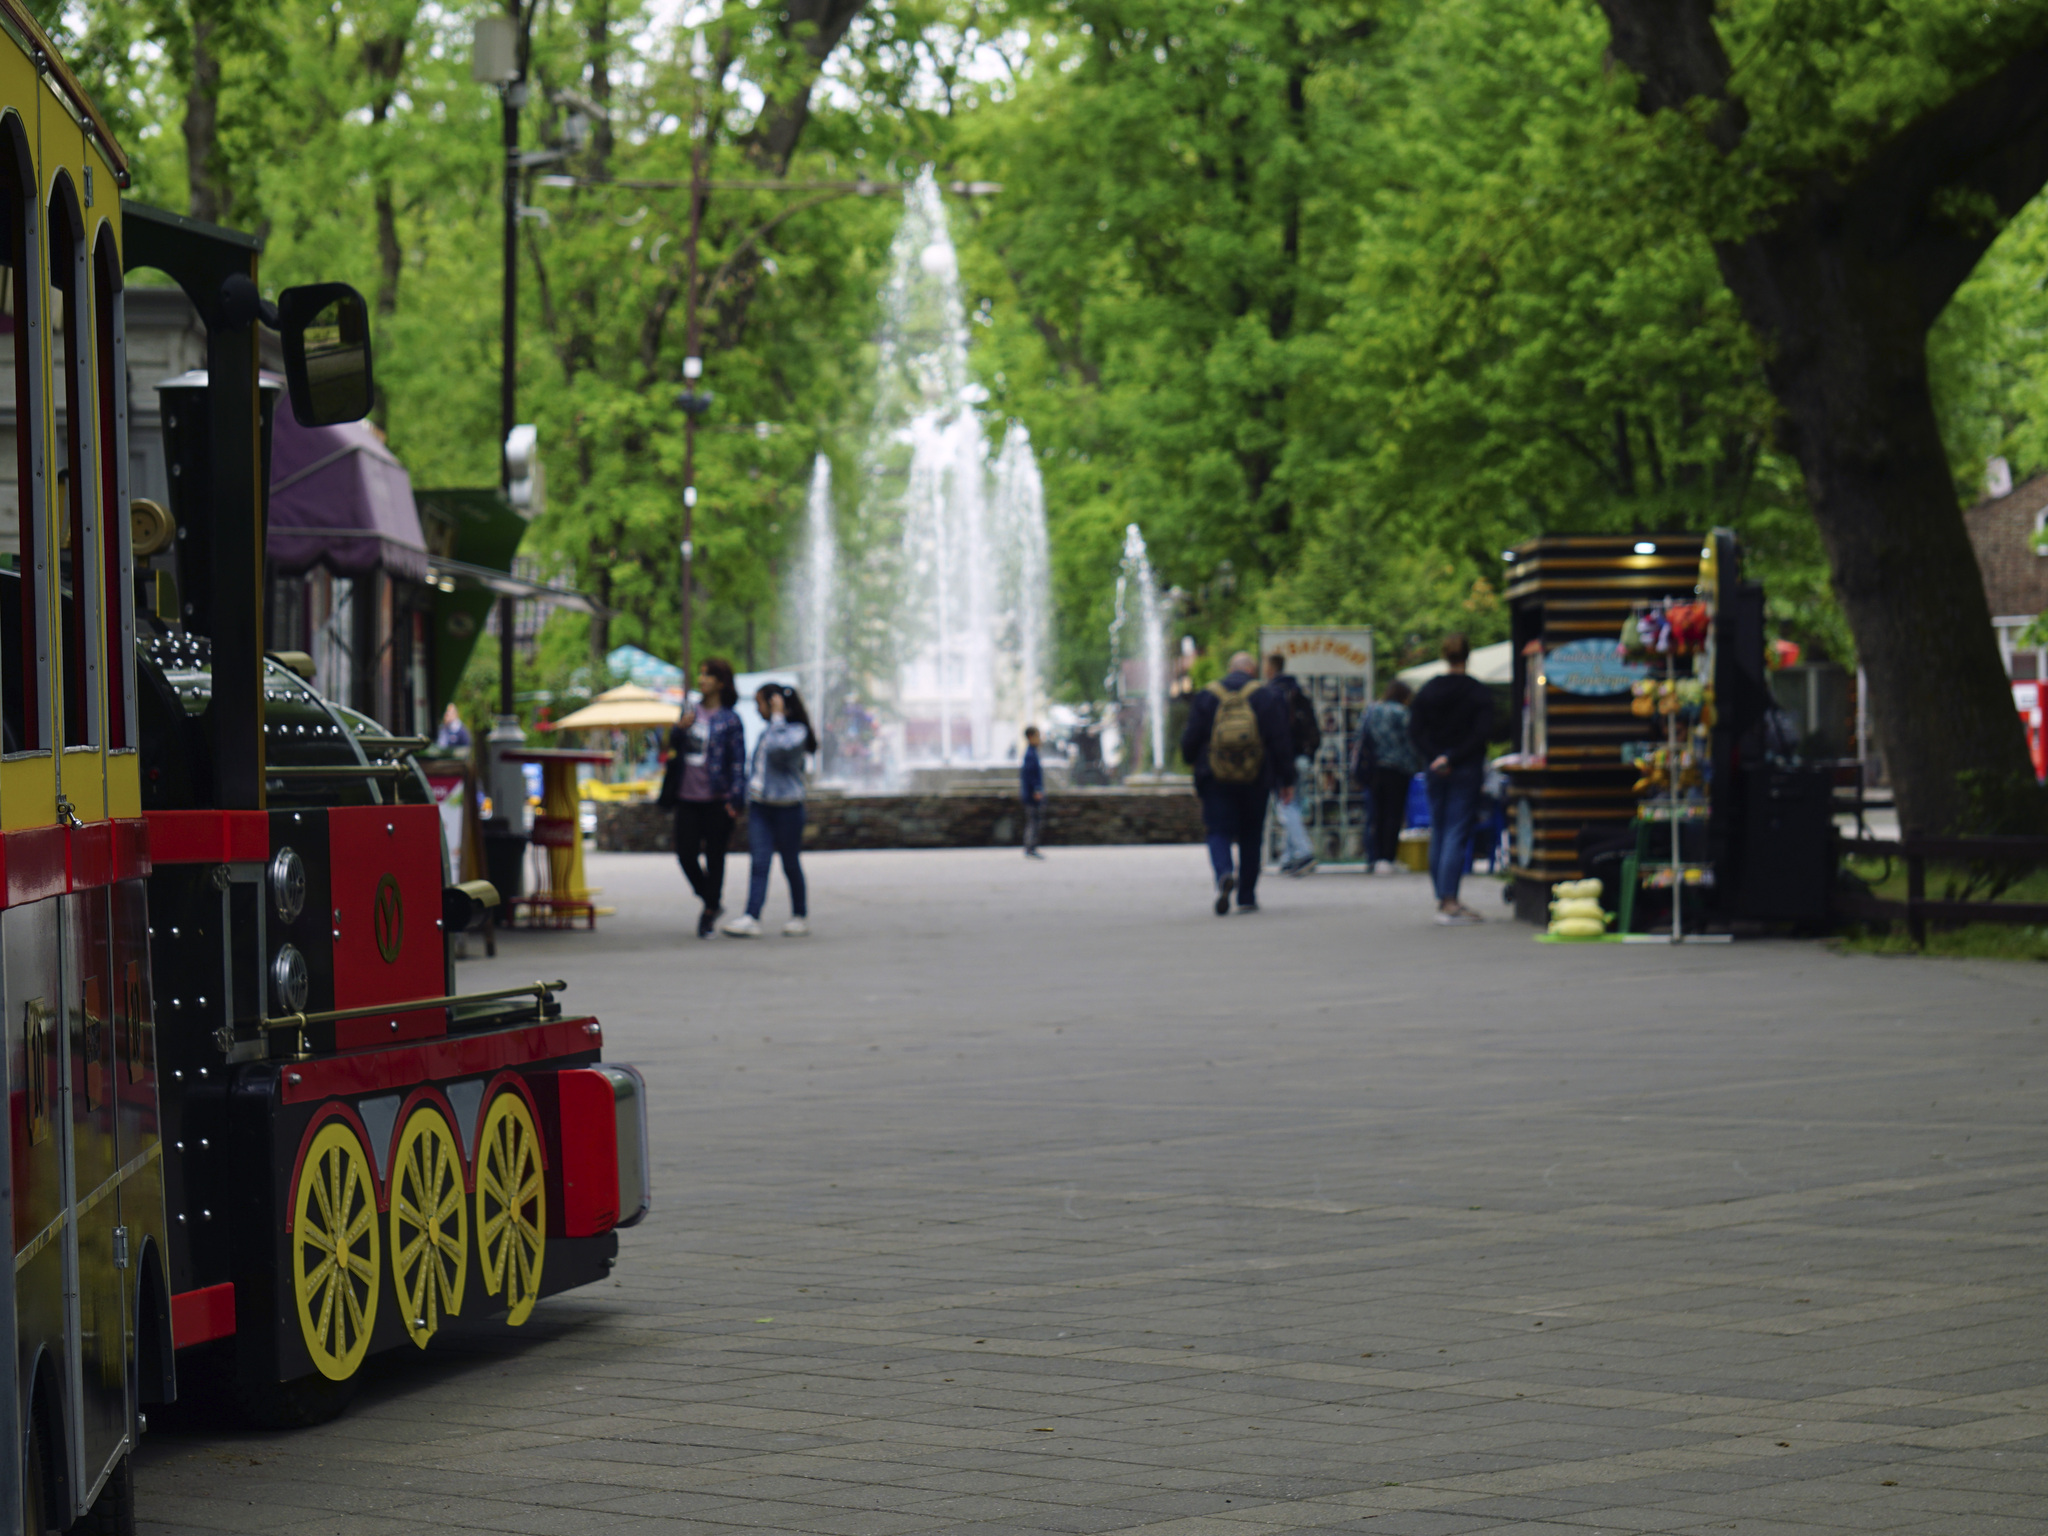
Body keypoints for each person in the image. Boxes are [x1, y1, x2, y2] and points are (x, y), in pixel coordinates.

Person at [1181, 650, 1297, 916]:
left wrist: (1193, 762)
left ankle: (1223, 873)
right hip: (1256, 776)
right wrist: (1287, 779)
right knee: (1251, 835)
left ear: (1229, 669)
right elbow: (1280, 740)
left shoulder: (1208, 695)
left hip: (1215, 776)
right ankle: (1246, 896)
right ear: (1252, 670)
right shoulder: (1265, 696)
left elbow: (1191, 739)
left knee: (1218, 830)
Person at [1407, 633, 1494, 924]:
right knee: (1457, 831)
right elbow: (1482, 733)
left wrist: (1436, 756)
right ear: (1468, 656)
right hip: (1464, 766)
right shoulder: (1477, 692)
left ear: (1444, 655)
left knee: (1439, 829)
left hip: (1434, 767)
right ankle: (1450, 900)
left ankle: (1442, 897)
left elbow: (1415, 730)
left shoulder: (1429, 690)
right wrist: (1454, 757)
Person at [659, 658, 745, 938]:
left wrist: (735, 798)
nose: (702, 679)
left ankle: (708, 914)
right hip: (687, 796)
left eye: (708, 675)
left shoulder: (730, 719)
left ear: (721, 683)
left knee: (715, 856)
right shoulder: (689, 711)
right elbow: (673, 745)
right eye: (701, 673)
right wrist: (679, 729)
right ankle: (711, 900)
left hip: (716, 798)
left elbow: (737, 762)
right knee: (685, 854)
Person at [722, 684, 816, 937]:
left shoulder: (796, 731)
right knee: (759, 863)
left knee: (790, 863)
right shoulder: (768, 732)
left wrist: (777, 716)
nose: (757, 709)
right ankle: (752, 916)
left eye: (760, 703)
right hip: (762, 808)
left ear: (776, 704)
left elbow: (779, 750)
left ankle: (799, 915)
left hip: (788, 808)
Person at [1263, 654, 1323, 875]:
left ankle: (1304, 851)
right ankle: (1290, 858)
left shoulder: (1272, 693)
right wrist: (1308, 754)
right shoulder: (1299, 692)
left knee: (1285, 807)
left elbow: (1276, 734)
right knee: (1294, 804)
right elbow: (1314, 729)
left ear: (1270, 667)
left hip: (1284, 759)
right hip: (1302, 758)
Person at [1352, 679, 1419, 874]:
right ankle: (1388, 857)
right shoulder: (1403, 714)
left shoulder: (1372, 710)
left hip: (1373, 768)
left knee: (1375, 813)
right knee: (1394, 813)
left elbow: (1360, 736)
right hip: (1398, 769)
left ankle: (1374, 857)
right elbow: (1411, 741)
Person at [1020, 725, 1047, 859]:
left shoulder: (1031, 752)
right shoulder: (1031, 754)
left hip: (1030, 793)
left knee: (1033, 820)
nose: (1040, 739)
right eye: (1038, 735)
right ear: (1031, 737)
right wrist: (1037, 789)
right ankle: (1030, 846)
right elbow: (1031, 775)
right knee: (1033, 820)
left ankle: (1030, 846)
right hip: (1032, 794)